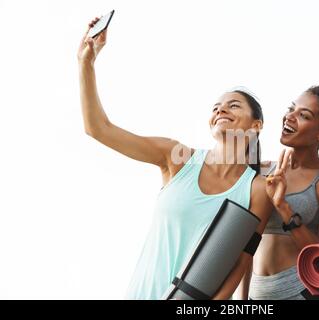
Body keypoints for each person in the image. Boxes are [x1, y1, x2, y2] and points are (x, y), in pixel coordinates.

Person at [77, 18, 272, 300]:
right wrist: (86, 63)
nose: (221, 110)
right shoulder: (176, 158)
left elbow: (240, 262)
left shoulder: (257, 190)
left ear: (256, 125)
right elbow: (98, 129)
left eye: (233, 105)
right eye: (216, 107)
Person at [236, 86, 319, 300]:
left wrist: (284, 208)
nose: (290, 117)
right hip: (259, 294)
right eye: (291, 109)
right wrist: (242, 299)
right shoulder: (260, 171)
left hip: (306, 292)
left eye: (304, 115)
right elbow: (244, 242)